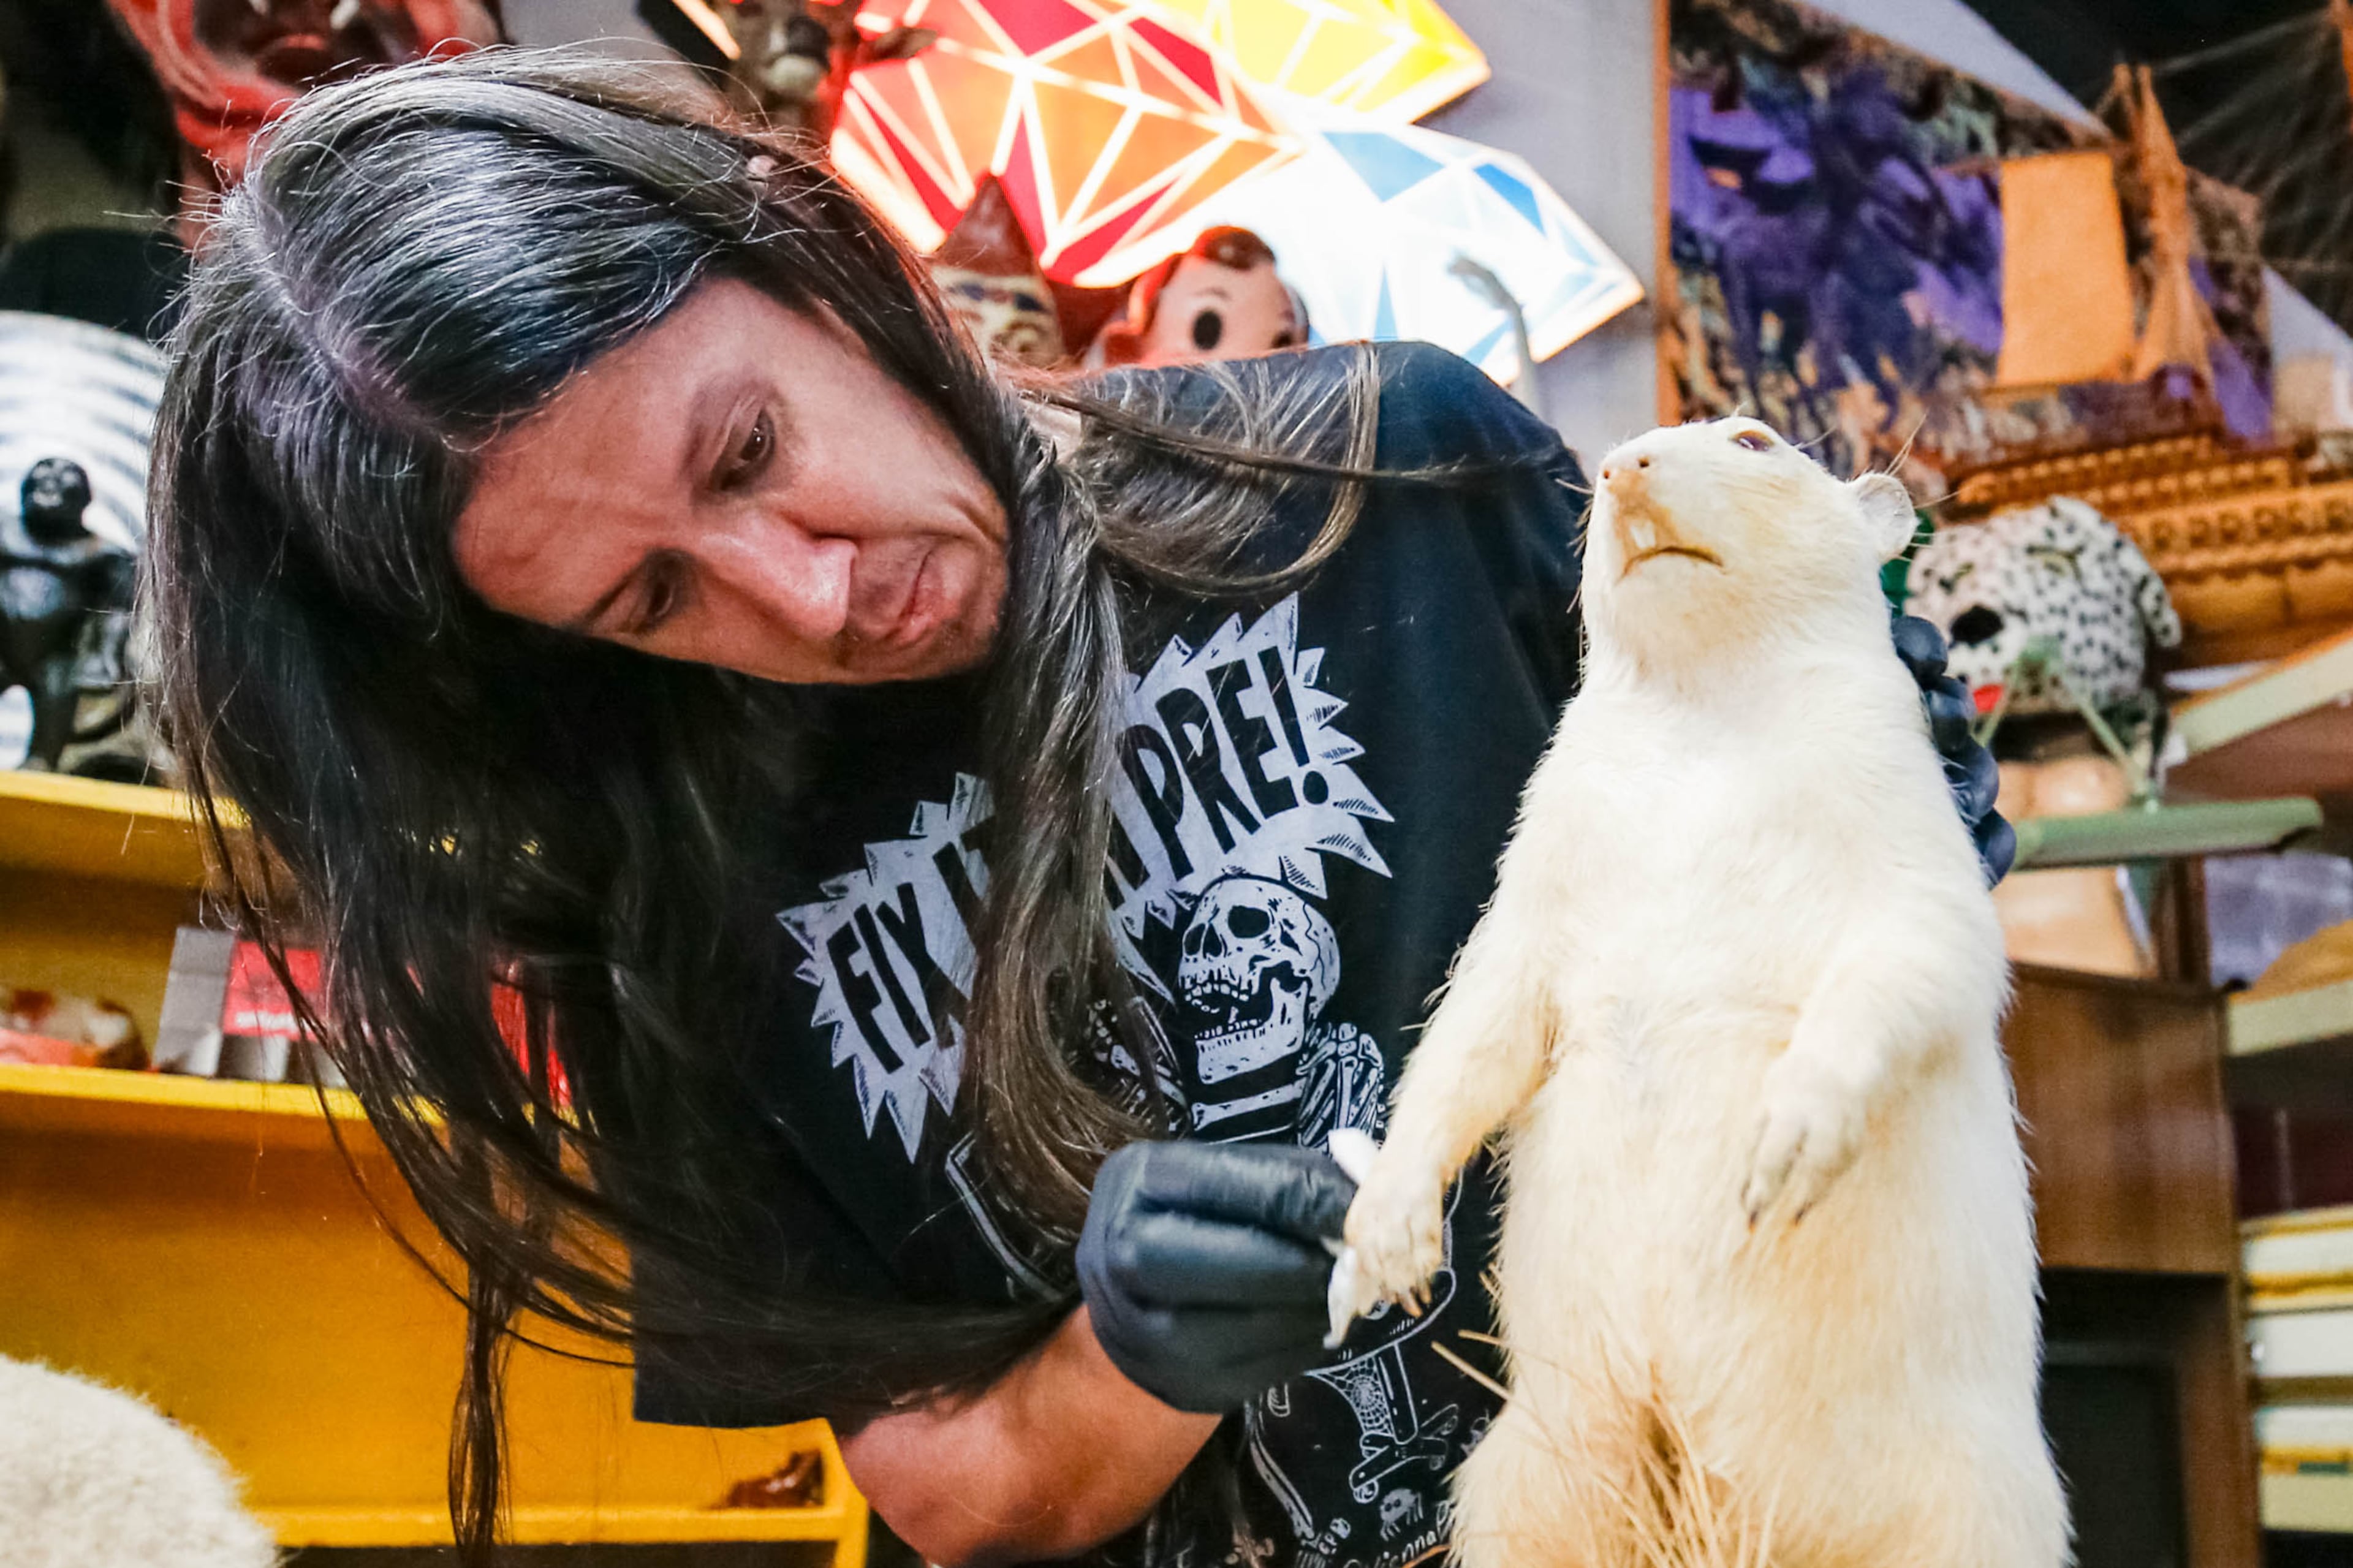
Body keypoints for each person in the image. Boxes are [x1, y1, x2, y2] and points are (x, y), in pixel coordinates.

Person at [142, 48, 2010, 1568]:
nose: (805, 597)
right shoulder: (675, 923)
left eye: (751, 450)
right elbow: (957, 1500)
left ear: (812, 268)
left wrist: (1873, 797)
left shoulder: (1388, 474)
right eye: (653, 599)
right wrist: (1137, 1361)